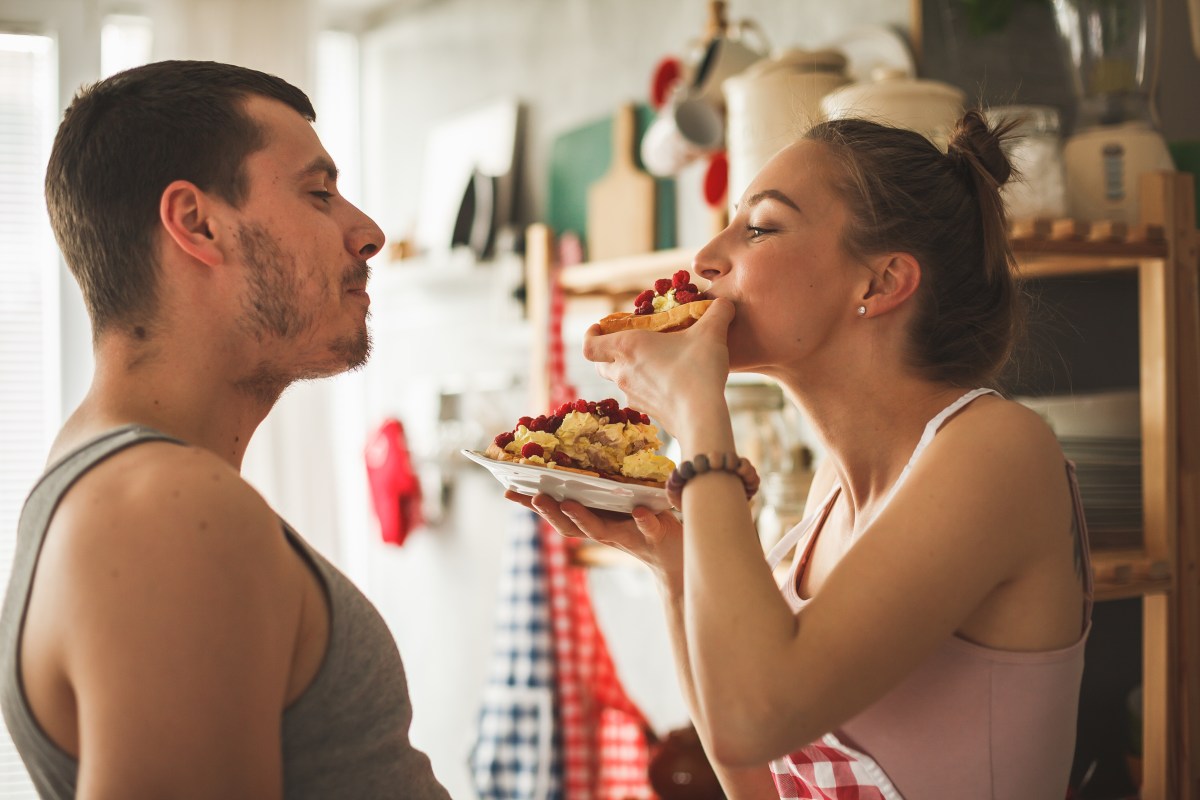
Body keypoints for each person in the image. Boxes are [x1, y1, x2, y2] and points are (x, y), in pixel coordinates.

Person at [510, 111, 1091, 799]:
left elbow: (755, 719)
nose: (705, 259)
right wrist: (676, 566)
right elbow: (757, 780)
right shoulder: (829, 499)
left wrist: (701, 416)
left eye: (759, 226)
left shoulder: (1000, 452)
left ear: (880, 283)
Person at [0, 61, 450, 799]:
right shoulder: (164, 512)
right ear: (198, 224)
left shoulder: (118, 483)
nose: (367, 232)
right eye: (319, 193)